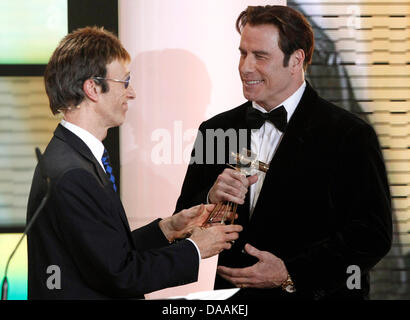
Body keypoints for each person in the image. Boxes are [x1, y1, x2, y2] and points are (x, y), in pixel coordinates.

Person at [175, 5, 392, 300]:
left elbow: (371, 235)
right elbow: (180, 225)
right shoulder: (215, 129)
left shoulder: (349, 134)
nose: (245, 67)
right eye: (242, 53)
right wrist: (209, 199)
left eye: (260, 56)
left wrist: (290, 273)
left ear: (296, 60)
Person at [26, 26, 242, 300]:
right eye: (124, 82)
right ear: (92, 88)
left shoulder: (74, 156)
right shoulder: (72, 173)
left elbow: (104, 254)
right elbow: (121, 275)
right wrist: (196, 249)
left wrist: (167, 229)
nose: (132, 93)